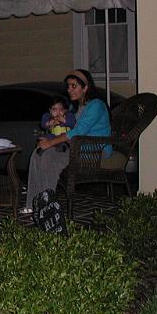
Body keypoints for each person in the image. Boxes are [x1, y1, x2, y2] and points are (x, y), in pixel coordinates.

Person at [23, 69, 111, 213]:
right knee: (37, 153)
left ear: (85, 88)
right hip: (74, 147)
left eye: (74, 86)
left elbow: (78, 132)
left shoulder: (96, 105)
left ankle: (48, 208)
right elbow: (64, 130)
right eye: (68, 86)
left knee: (50, 157)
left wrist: (52, 143)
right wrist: (50, 135)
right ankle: (32, 205)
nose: (69, 90)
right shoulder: (73, 107)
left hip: (94, 150)